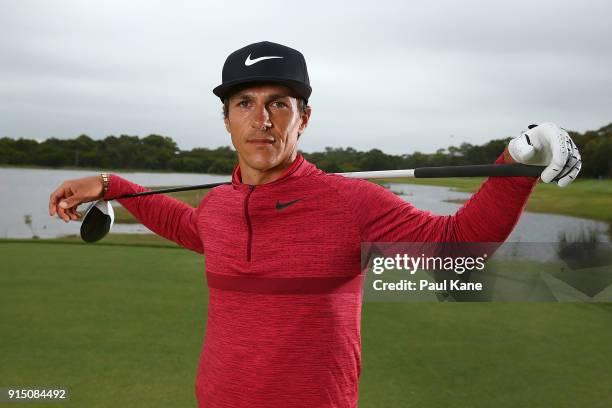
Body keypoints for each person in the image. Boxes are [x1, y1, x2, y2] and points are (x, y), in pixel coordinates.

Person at [48, 41, 582, 407]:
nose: (262, 120)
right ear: (227, 119)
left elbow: (454, 246)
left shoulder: (352, 203)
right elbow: (187, 226)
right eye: (245, 103)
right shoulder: (217, 206)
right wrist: (113, 183)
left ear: (303, 118)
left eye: (278, 104)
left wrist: (517, 161)